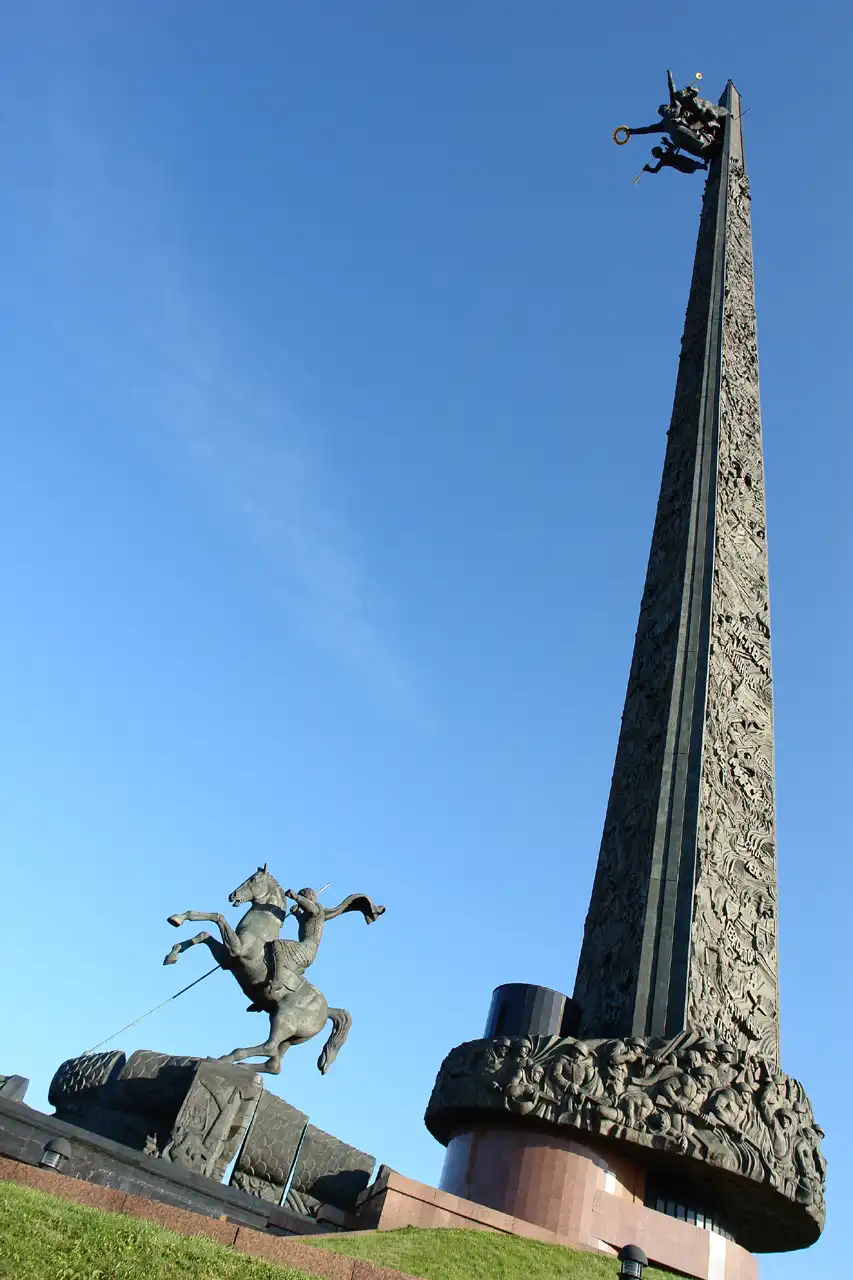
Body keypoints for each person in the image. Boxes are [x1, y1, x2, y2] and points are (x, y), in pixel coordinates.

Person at [644, 139, 708, 176]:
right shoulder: (663, 159)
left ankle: (702, 166)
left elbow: (674, 147)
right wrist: (648, 169)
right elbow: (655, 170)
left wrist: (667, 143)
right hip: (681, 164)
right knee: (693, 165)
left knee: (693, 164)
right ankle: (702, 166)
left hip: (682, 162)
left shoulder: (665, 157)